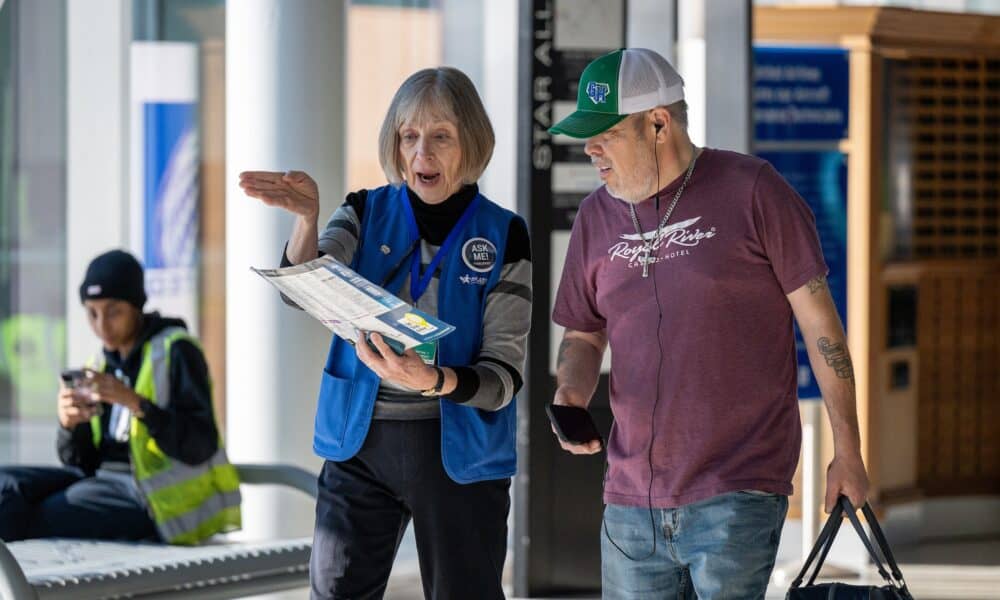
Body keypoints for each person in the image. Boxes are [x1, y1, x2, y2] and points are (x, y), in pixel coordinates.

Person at [547, 48, 869, 599]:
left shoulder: (754, 191)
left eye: (606, 134)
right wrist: (571, 394)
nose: (591, 148)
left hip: (736, 488)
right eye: (587, 136)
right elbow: (583, 331)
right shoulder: (596, 216)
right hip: (629, 501)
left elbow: (822, 329)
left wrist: (848, 451)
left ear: (658, 123)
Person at [240, 66, 531, 600]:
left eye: (441, 136)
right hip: (359, 442)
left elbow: (505, 376)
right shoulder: (363, 210)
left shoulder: (505, 233)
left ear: (472, 141)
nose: (423, 152)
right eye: (409, 135)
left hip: (458, 453)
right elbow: (303, 289)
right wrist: (306, 220)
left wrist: (435, 379)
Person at [0, 249, 241, 544]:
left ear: (137, 306)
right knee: (5, 488)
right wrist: (69, 426)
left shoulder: (176, 349)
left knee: (35, 517)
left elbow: (200, 444)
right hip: (102, 482)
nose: (102, 325)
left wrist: (135, 403)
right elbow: (80, 463)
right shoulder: (99, 365)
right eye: (92, 313)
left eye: (114, 311)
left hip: (157, 501)